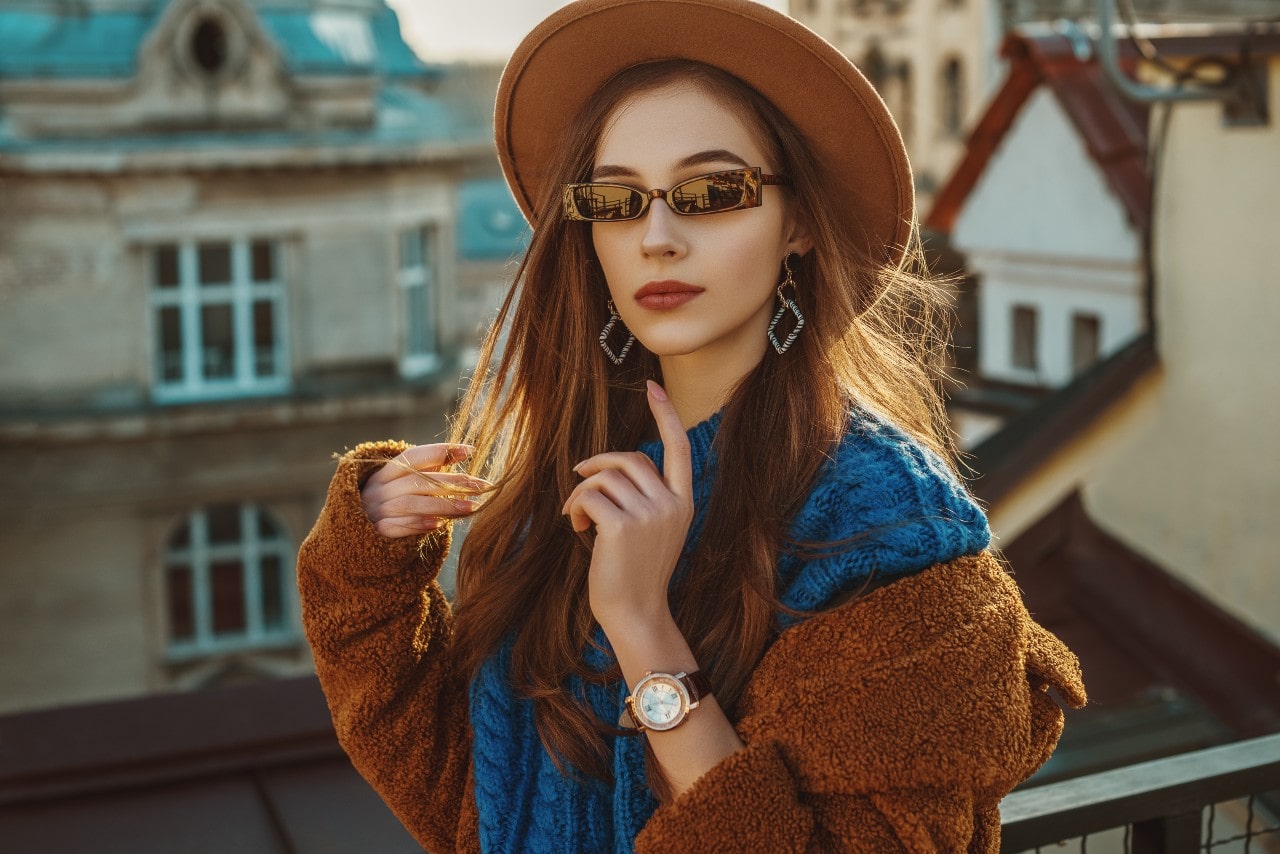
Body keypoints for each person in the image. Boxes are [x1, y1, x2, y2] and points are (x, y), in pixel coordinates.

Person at [297, 0, 1086, 850]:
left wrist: (643, 628)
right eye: (617, 200)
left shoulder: (885, 528)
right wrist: (369, 579)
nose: (657, 238)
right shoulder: (575, 481)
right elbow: (469, 803)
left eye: (711, 193)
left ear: (799, 223)